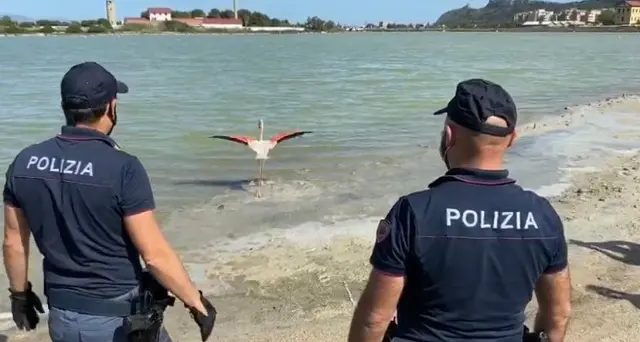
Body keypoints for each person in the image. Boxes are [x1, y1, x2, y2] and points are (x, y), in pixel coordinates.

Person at [3, 61, 216, 342]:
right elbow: (154, 255)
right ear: (111, 107)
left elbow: (13, 241)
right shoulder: (123, 168)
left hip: (62, 314)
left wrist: (19, 295)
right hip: (116, 321)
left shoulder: (25, 161)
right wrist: (195, 302)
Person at [348, 79, 572, 342]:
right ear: (511, 139)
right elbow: (559, 315)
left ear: (449, 135)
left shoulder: (413, 212)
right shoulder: (542, 215)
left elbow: (374, 319)